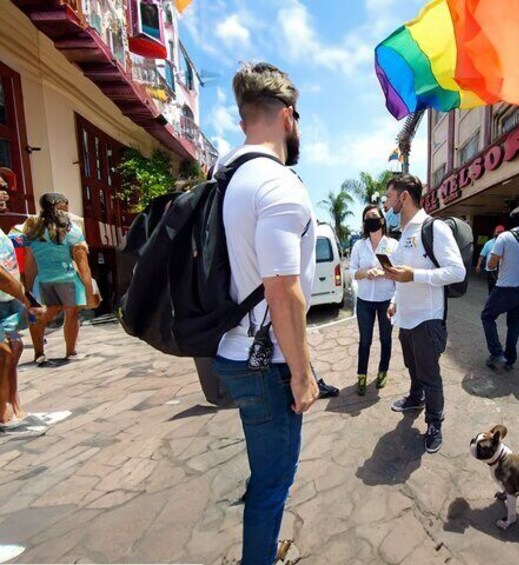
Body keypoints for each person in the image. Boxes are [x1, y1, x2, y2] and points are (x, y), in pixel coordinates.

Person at [212, 62, 318, 565]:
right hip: (266, 363)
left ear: (243, 121)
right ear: (289, 116)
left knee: (265, 472)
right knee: (275, 481)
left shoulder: (226, 177)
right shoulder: (278, 184)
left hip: (229, 350)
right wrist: (302, 375)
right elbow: (282, 290)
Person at [382, 174, 465, 454]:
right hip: (405, 317)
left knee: (430, 375)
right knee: (412, 367)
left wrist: (415, 275)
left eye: (389, 196)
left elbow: (457, 271)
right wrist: (395, 299)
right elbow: (401, 276)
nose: (386, 202)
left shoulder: (434, 228)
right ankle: (414, 399)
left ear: (404, 196)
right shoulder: (403, 233)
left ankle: (434, 424)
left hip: (428, 318)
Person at [23, 193, 100, 366]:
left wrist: (28, 288)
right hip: (67, 278)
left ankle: (38, 353)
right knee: (71, 314)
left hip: (43, 280)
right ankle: (70, 352)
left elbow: (30, 264)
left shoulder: (33, 231)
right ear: (59, 204)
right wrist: (89, 292)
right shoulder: (71, 230)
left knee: (47, 311)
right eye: (66, 204)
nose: (68, 207)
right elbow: (82, 265)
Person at [0, 187, 43, 426]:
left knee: (13, 348)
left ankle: (11, 401)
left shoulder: (4, 232)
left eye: (4, 188)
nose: (3, 194)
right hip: (7, 300)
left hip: (8, 303)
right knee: (5, 351)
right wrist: (28, 300)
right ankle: (4, 407)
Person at [481, 206, 519, 371]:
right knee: (514, 324)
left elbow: (491, 263)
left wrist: (494, 268)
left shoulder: (505, 237)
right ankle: (510, 358)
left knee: (487, 316)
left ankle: (497, 353)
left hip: (505, 287)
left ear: (512, 221)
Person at [349, 204, 397, 395]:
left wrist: (386, 273)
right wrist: (365, 273)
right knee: (365, 341)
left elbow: (399, 273)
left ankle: (382, 372)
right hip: (365, 301)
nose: (370, 219)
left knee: (386, 339)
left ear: (382, 220)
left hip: (386, 299)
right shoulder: (359, 245)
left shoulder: (393, 245)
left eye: (374, 216)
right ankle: (361, 376)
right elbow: (351, 271)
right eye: (367, 217)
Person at [476, 225, 505, 294]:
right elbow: (482, 255)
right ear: (495, 232)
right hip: (491, 269)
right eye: (498, 232)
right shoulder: (489, 243)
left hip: (502, 269)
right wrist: (478, 265)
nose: (499, 234)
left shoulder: (506, 243)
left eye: (501, 232)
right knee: (492, 285)